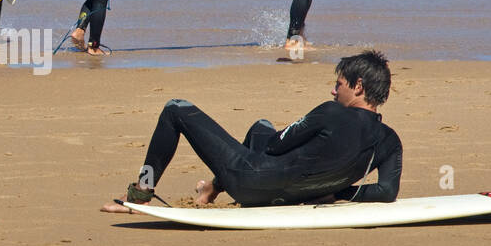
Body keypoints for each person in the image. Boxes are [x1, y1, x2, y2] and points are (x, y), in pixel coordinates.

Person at [103, 50, 401, 212]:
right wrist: (335, 192)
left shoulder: (331, 111)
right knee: (261, 126)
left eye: (339, 85)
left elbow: (273, 146)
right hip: (288, 199)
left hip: (249, 182)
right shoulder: (390, 142)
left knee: (174, 108)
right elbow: (386, 192)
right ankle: (211, 189)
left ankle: (141, 193)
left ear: (358, 86)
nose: (333, 91)